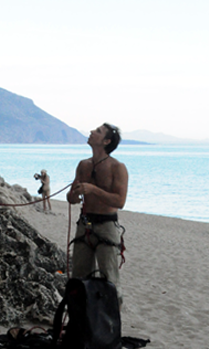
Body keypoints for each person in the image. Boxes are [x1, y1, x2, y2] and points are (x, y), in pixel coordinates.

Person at [67, 123, 129, 303]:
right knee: (78, 279)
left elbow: (120, 201)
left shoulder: (117, 167)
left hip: (107, 226)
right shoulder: (83, 165)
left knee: (110, 280)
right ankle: (79, 325)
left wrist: (93, 190)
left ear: (106, 141)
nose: (92, 132)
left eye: (98, 131)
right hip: (84, 224)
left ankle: (110, 327)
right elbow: (71, 198)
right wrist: (74, 195)